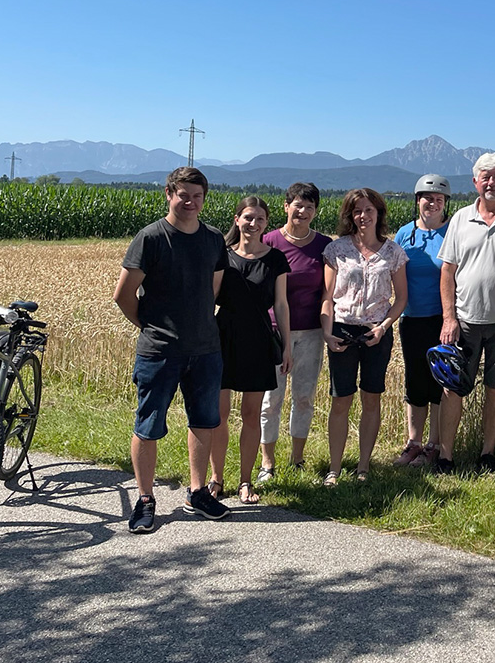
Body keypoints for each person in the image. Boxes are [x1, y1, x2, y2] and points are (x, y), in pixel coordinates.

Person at [113, 166, 230, 532]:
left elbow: (212, 291)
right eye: (184, 195)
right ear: (169, 194)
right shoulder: (150, 238)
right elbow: (123, 295)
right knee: (148, 425)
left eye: (197, 196)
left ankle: (197, 492)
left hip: (206, 349)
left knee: (204, 421)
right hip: (159, 352)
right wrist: (151, 328)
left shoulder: (213, 239)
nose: (190, 202)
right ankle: (145, 500)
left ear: (204, 198)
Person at [437, 153, 495, 474]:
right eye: (485, 177)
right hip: (464, 322)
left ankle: (487, 454)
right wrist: (449, 318)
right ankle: (446, 456)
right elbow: (447, 272)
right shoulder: (461, 219)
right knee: (452, 389)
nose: (491, 183)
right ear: (476, 181)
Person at [207, 196, 292, 505]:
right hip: (222, 338)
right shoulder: (223, 256)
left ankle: (245, 481)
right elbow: (211, 297)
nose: (253, 224)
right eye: (248, 218)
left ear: (266, 224)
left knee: (251, 413)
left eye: (259, 219)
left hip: (259, 340)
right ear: (237, 219)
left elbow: (281, 304)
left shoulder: (276, 259)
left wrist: (287, 345)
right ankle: (217, 478)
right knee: (219, 414)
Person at [321, 188, 408, 485]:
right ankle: (334, 468)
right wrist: (327, 332)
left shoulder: (393, 252)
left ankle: (363, 466)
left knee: (372, 399)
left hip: (376, 332)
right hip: (343, 330)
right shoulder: (336, 250)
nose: (363, 216)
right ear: (350, 215)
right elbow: (327, 297)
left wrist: (383, 327)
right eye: (357, 211)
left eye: (369, 210)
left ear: (379, 213)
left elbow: (400, 299)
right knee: (340, 400)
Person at [259, 182, 333, 480]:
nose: (302, 211)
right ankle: (267, 462)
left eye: (310, 207)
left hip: (312, 332)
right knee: (270, 399)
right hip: (274, 333)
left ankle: (297, 459)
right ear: (286, 206)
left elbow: (329, 290)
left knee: (304, 397)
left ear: (316, 212)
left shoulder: (324, 245)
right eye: (298, 205)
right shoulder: (270, 241)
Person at [393, 174, 451, 469]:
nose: (432, 203)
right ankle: (414, 442)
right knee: (415, 379)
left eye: (439, 199)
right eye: (427, 198)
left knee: (440, 382)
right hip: (412, 317)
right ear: (417, 201)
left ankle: (435, 444)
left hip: (444, 319)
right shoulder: (404, 234)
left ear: (446, 204)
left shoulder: (453, 231)